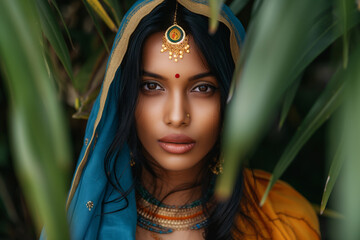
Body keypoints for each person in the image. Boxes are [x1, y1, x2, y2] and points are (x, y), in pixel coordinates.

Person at [42, 0, 321, 239]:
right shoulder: (81, 226)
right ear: (125, 98)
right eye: (152, 87)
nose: (177, 117)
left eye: (202, 88)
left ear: (233, 100)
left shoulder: (283, 221)